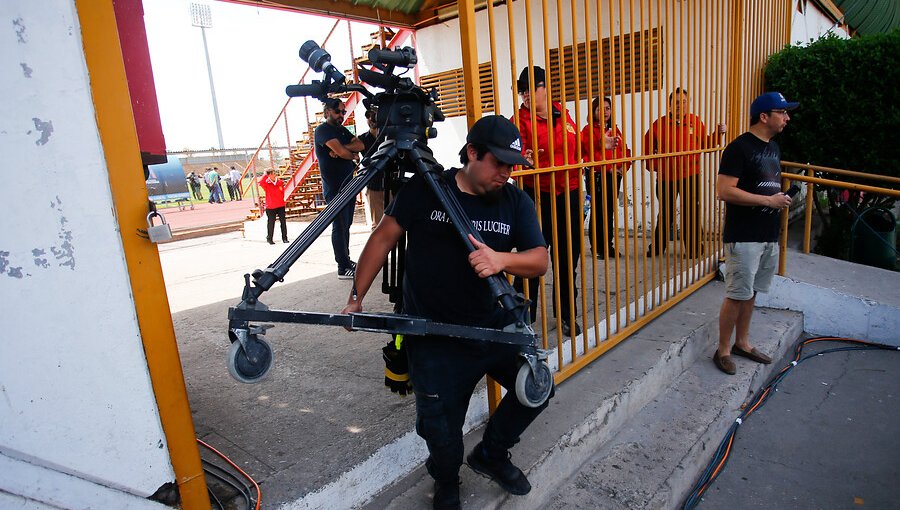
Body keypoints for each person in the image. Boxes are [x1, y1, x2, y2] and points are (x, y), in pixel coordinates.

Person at [341, 115, 551, 510]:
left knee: (538, 389)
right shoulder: (427, 190)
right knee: (441, 427)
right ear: (472, 153)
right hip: (435, 335)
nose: (506, 173)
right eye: (499, 162)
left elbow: (539, 260)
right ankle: (447, 479)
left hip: (493, 329)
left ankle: (491, 452)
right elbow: (383, 237)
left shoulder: (515, 200)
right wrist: (356, 296)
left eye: (512, 165)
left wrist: (500, 259)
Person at [714, 92, 798, 375]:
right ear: (764, 116)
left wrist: (780, 199)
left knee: (751, 293)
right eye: (782, 112)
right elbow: (724, 191)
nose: (787, 118)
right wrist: (768, 201)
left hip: (767, 233)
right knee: (737, 294)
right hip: (744, 235)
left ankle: (743, 343)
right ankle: (723, 350)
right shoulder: (738, 148)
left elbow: (766, 186)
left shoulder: (773, 147)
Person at [512, 65, 583, 337]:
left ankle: (566, 315)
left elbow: (577, 150)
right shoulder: (519, 123)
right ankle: (523, 316)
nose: (527, 96)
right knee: (531, 258)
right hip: (537, 196)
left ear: (545, 88)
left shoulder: (563, 116)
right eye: (522, 92)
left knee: (567, 258)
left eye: (532, 89)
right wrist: (524, 162)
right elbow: (513, 160)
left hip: (570, 194)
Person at [643, 88, 726, 257]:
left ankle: (694, 249)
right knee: (666, 214)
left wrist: (718, 133)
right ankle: (658, 248)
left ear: (688, 104)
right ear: (670, 105)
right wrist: (658, 167)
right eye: (677, 102)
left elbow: (706, 144)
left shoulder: (695, 122)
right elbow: (648, 149)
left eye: (684, 102)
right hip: (667, 177)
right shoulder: (659, 124)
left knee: (691, 212)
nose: (681, 105)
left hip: (691, 175)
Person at [314, 98, 365, 279]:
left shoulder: (340, 130)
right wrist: (347, 153)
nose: (341, 116)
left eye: (343, 112)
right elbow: (347, 153)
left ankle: (346, 259)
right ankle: (342, 267)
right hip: (335, 187)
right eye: (338, 112)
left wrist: (342, 151)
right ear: (327, 111)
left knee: (347, 225)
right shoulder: (323, 130)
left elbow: (360, 145)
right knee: (340, 225)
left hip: (348, 184)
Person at [581, 97, 632, 258]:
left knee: (609, 211)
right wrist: (610, 168)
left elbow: (624, 150)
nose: (604, 112)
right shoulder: (588, 130)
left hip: (614, 177)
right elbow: (590, 153)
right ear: (594, 112)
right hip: (596, 176)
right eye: (600, 109)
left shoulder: (615, 129)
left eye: (607, 108)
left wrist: (624, 166)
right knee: (598, 212)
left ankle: (607, 246)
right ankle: (598, 248)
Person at [358, 108, 385, 228]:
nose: (371, 119)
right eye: (368, 116)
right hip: (374, 185)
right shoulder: (362, 139)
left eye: (373, 115)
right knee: (377, 224)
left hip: (392, 183)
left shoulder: (389, 136)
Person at [259, 168, 288, 245]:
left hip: (280, 205)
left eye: (274, 173)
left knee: (283, 222)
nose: (274, 175)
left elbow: (282, 192)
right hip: (271, 207)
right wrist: (265, 174)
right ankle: (269, 238)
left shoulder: (280, 182)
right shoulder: (266, 183)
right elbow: (260, 182)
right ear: (269, 175)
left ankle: (284, 238)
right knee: (271, 223)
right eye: (272, 173)